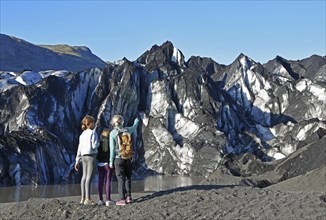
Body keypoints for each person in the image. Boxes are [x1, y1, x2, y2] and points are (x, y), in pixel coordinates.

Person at [109, 115, 140, 206]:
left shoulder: (113, 133)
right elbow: (134, 127)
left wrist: (111, 161)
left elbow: (112, 149)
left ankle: (122, 199)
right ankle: (129, 197)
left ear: (113, 123)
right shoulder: (127, 130)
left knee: (121, 179)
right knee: (128, 178)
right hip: (128, 158)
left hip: (118, 159)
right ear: (122, 122)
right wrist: (136, 120)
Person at [75, 115, 99, 205]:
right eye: (93, 122)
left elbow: (79, 148)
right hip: (91, 155)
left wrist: (77, 160)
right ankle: (88, 199)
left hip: (83, 156)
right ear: (90, 123)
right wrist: (99, 143)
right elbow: (94, 145)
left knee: (84, 176)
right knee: (89, 177)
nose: (94, 124)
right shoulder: (93, 133)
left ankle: (82, 198)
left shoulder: (82, 134)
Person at [96, 129, 115, 206]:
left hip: (100, 164)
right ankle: (108, 199)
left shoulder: (99, 144)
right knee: (107, 182)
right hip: (108, 164)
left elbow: (96, 154)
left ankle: (100, 199)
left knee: (100, 182)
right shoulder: (110, 144)